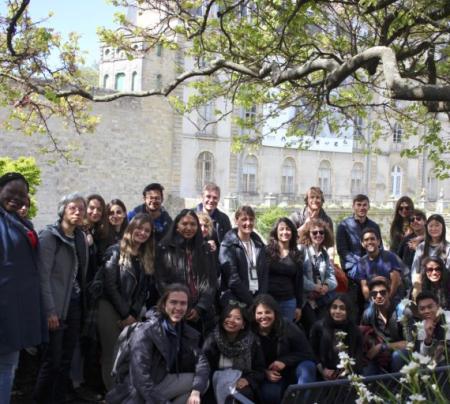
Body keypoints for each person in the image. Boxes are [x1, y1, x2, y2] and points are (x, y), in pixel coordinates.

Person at [107, 284, 209, 404]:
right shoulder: (146, 331)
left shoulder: (182, 330)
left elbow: (201, 361)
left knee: (201, 384)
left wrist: (196, 392)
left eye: (183, 303)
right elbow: (140, 379)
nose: (178, 307)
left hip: (160, 381)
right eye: (173, 302)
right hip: (137, 392)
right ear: (164, 304)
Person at [34, 193, 89, 404]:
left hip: (74, 305)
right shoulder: (49, 237)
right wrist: (50, 311)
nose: (78, 212)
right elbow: (42, 278)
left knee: (66, 360)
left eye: (81, 209)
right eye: (73, 208)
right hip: (55, 307)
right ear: (63, 210)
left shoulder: (80, 238)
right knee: (52, 361)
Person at [0, 173, 46, 404]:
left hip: (16, 308)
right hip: (4, 306)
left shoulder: (18, 221)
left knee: (9, 365)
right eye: (12, 192)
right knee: (5, 367)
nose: (16, 198)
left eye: (22, 194)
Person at [98, 213, 155, 391]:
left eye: (147, 231)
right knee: (112, 352)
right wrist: (125, 314)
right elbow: (110, 286)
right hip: (110, 307)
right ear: (131, 228)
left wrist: (133, 314)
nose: (143, 233)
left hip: (131, 311)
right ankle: (112, 393)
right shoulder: (115, 251)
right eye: (139, 228)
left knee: (128, 353)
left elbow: (143, 290)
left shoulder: (145, 256)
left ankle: (124, 392)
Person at [156, 209, 216, 335]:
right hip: (174, 311)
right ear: (177, 226)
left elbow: (211, 282)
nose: (189, 228)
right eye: (184, 224)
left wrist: (200, 307)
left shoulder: (205, 249)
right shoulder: (164, 248)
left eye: (193, 224)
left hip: (201, 313)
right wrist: (179, 305)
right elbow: (161, 281)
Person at [251, 295, 316, 404]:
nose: (264, 316)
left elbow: (308, 353)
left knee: (308, 367)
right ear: (254, 314)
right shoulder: (250, 332)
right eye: (259, 313)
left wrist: (284, 361)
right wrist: (265, 372)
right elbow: (248, 363)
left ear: (275, 313)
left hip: (292, 369)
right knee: (270, 395)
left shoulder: (287, 326)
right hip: (269, 374)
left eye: (268, 312)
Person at [202, 303, 265, 403]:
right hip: (214, 383)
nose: (231, 320)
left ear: (243, 325)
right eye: (228, 316)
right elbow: (203, 366)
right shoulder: (212, 340)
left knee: (242, 396)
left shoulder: (253, 341)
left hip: (241, 382)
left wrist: (248, 380)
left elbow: (260, 370)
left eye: (237, 318)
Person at [336, 194, 382, 320]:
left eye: (364, 205)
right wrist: (361, 263)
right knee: (353, 307)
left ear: (368, 207)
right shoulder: (344, 226)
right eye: (359, 205)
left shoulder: (374, 226)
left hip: (371, 269)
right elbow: (342, 251)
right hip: (352, 270)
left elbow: (380, 248)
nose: (362, 208)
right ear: (353, 206)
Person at [360, 277, 412, 376]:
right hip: (379, 357)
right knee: (366, 369)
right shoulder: (367, 314)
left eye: (383, 292)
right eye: (374, 293)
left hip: (401, 353)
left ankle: (401, 384)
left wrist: (383, 347)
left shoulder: (403, 311)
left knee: (398, 356)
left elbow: (410, 344)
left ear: (389, 293)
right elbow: (365, 337)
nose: (378, 296)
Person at [219, 206, 268, 307]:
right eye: (244, 219)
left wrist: (260, 299)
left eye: (251, 219)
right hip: (236, 301)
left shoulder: (259, 245)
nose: (248, 223)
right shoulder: (228, 245)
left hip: (257, 300)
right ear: (236, 221)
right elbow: (232, 279)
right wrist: (251, 302)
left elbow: (264, 274)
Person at [310, 294, 364, 380]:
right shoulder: (319, 327)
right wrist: (323, 369)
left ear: (348, 311)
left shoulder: (354, 330)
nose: (337, 311)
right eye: (334, 307)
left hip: (348, 374)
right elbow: (312, 352)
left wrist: (346, 371)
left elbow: (358, 356)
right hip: (323, 373)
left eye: (342, 308)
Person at [298, 218, 337, 334]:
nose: (318, 235)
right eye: (314, 232)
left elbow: (332, 277)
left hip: (321, 299)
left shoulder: (324, 254)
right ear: (308, 234)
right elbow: (298, 276)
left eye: (321, 232)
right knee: (313, 328)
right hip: (305, 299)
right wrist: (314, 287)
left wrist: (326, 286)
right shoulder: (301, 250)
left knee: (324, 329)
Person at [266, 218, 303, 321]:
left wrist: (299, 306)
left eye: (288, 229)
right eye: (281, 229)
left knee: (286, 329)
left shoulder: (297, 254)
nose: (285, 232)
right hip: (269, 300)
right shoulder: (266, 252)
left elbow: (299, 282)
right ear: (276, 232)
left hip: (288, 302)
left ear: (292, 232)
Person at [356, 228, 403, 304]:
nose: (369, 242)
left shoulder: (389, 256)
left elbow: (395, 281)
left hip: (393, 299)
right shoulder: (362, 262)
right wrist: (372, 302)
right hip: (374, 300)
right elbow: (364, 286)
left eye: (372, 239)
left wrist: (388, 300)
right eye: (366, 240)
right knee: (367, 312)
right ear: (362, 244)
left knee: (406, 311)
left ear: (378, 241)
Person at [411, 214, 450, 298]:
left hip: (443, 288)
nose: (434, 228)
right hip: (423, 287)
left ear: (443, 227)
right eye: (431, 226)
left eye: (437, 225)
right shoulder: (421, 247)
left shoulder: (448, 248)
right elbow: (415, 269)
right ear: (427, 228)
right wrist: (416, 286)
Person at [415, 291, 450, 364]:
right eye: (422, 309)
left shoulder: (448, 318)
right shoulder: (421, 326)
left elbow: (442, 349)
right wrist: (428, 337)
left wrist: (433, 363)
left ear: (438, 306)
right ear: (418, 311)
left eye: (430, 307)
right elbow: (423, 356)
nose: (427, 311)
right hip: (436, 363)